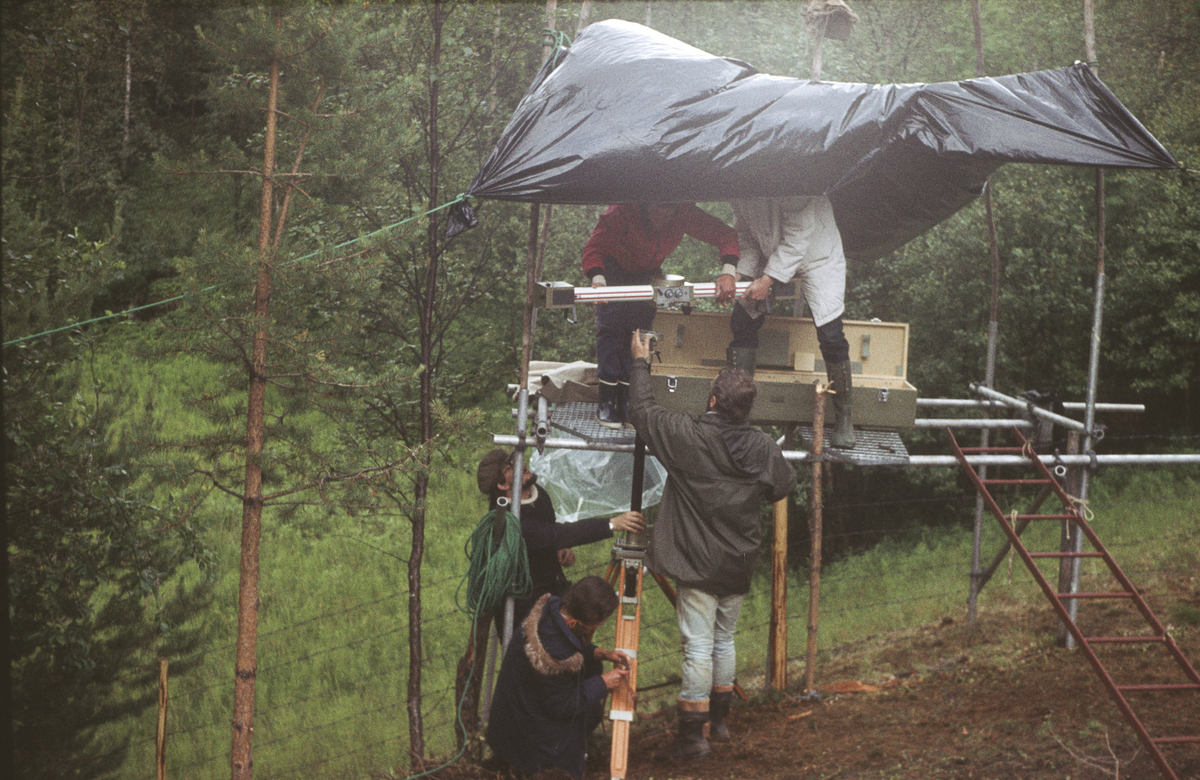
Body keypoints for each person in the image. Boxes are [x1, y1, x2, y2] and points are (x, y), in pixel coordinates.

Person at [627, 330, 797, 760]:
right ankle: (718, 723)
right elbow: (782, 487)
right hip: (738, 561)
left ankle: (691, 738)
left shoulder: (688, 436)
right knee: (724, 639)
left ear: (713, 401)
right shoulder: (760, 445)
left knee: (699, 646)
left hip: (698, 563)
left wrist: (640, 362)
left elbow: (642, 411)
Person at [715, 196, 857, 448]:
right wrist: (738, 275)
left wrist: (768, 280)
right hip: (772, 255)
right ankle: (739, 412)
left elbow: (798, 236)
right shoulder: (738, 188)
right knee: (741, 320)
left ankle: (844, 415)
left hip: (817, 256)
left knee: (831, 334)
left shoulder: (792, 175)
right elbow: (746, 237)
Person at [583, 202, 740, 429]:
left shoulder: (684, 212)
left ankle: (627, 401)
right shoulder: (621, 212)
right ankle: (606, 402)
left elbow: (726, 234)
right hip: (613, 270)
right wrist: (598, 280)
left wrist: (728, 273)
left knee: (639, 335)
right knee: (611, 330)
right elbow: (593, 249)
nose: (663, 216)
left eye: (669, 211)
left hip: (648, 274)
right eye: (658, 208)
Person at [476, 448, 645, 629]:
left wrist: (558, 548)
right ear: (502, 485)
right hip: (526, 609)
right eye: (511, 466)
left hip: (555, 589)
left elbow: (548, 532)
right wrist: (611, 524)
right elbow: (554, 534)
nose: (522, 464)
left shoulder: (535, 492)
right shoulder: (507, 520)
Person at [485, 576, 632, 779]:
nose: (603, 623)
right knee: (586, 713)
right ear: (577, 622)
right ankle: (537, 769)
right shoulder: (553, 653)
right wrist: (603, 682)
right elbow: (562, 705)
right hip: (525, 727)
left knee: (590, 704)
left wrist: (600, 653)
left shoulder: (552, 609)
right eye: (601, 620)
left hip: (516, 709)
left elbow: (569, 647)